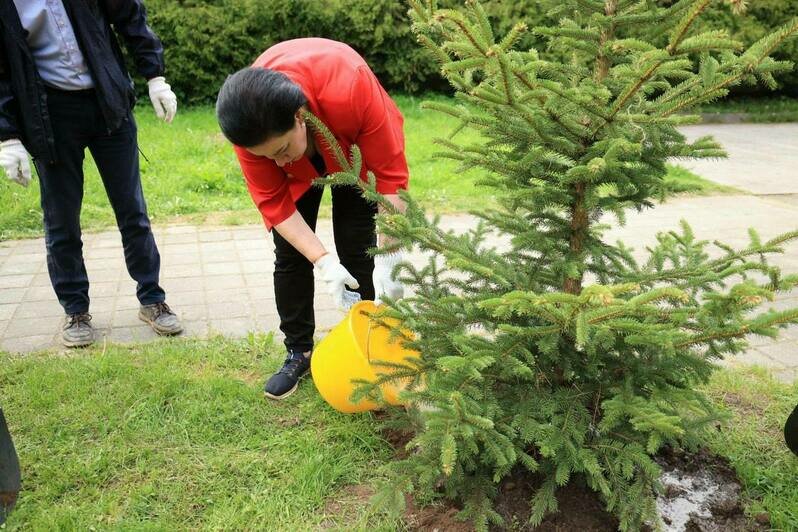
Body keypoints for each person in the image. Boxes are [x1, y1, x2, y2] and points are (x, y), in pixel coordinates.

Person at [216, 38, 408, 400]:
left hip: (353, 150)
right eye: (266, 156)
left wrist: (391, 259)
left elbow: (391, 180)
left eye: (282, 150)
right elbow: (274, 203)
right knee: (290, 256)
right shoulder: (252, 131)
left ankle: (372, 344)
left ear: (299, 117)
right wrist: (322, 261)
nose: (278, 163)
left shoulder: (350, 87)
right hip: (302, 150)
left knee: (358, 247)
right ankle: (298, 352)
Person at [0, 0, 183, 347]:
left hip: (107, 102)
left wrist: (155, 76)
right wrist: (7, 136)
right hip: (49, 114)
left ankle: (152, 299)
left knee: (132, 210)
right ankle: (75, 310)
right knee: (61, 220)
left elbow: (129, 15)